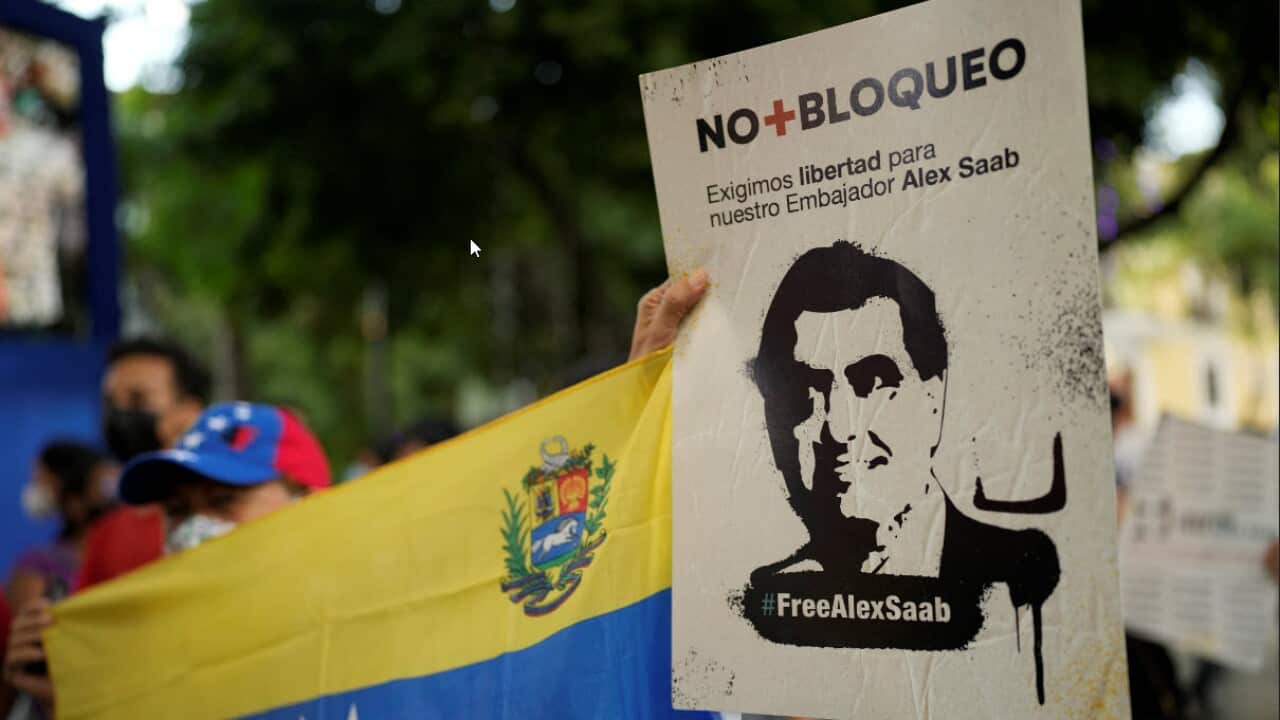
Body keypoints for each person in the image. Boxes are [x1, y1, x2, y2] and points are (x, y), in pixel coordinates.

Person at [746, 242, 1060, 703]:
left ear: (935, 398)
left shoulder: (1021, 579)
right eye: (809, 387)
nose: (839, 427)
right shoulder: (765, 601)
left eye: (872, 383)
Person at [3, 402, 331, 713]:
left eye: (224, 501)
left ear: (306, 501)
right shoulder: (149, 653)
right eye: (177, 510)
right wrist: (74, 699)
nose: (195, 527)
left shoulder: (352, 628)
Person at [75, 338, 213, 591]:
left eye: (138, 399)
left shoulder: (228, 514)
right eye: (110, 402)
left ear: (189, 412)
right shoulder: (105, 534)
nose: (120, 412)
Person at [8, 442, 115, 606]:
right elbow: (33, 616)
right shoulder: (38, 564)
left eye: (41, 479)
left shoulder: (120, 551)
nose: (36, 488)